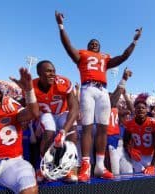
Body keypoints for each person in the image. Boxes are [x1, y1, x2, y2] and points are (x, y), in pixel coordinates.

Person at [55, 10, 142, 182]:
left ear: (100, 47)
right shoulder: (81, 55)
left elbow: (124, 56)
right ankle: (86, 164)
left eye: (97, 43)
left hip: (103, 91)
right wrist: (61, 26)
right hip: (88, 88)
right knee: (87, 127)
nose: (94, 44)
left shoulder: (105, 58)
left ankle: (100, 166)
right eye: (92, 43)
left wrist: (134, 41)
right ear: (88, 47)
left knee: (103, 128)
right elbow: (68, 46)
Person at [33, 60, 79, 182]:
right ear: (39, 73)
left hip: (61, 113)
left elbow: (74, 108)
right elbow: (28, 106)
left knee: (72, 132)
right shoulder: (32, 85)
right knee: (49, 129)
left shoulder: (63, 83)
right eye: (48, 71)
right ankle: (43, 168)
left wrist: (64, 130)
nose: (52, 74)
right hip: (45, 114)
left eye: (53, 71)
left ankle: (69, 169)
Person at [124, 97, 155, 175]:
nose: (140, 109)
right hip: (137, 157)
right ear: (134, 110)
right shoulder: (129, 124)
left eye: (143, 108)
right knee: (140, 178)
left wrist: (152, 165)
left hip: (151, 156)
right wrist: (130, 150)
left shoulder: (153, 123)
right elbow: (126, 141)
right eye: (138, 108)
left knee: (154, 177)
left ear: (147, 110)